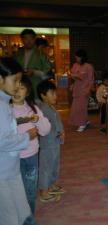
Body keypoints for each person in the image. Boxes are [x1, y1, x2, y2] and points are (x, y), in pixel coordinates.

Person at [0, 57, 37, 225]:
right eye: (15, 80)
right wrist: (27, 136)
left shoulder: (4, 102)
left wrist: (21, 122)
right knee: (10, 216)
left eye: (20, 81)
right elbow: (2, 140)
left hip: (10, 168)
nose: (17, 86)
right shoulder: (1, 105)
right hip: (2, 172)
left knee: (22, 210)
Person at [12, 75, 51, 214]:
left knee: (29, 191)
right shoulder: (5, 109)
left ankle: (29, 218)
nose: (17, 91)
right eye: (15, 87)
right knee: (13, 193)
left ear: (27, 92)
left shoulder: (33, 109)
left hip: (30, 156)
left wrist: (37, 120)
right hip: (11, 158)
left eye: (21, 88)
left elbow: (46, 130)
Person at [37, 80, 65, 202]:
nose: (55, 96)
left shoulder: (50, 107)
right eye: (52, 93)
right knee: (46, 167)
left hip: (55, 143)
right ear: (43, 95)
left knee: (54, 165)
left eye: (55, 93)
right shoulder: (42, 109)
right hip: (47, 144)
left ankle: (51, 185)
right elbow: (44, 128)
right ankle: (43, 191)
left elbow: (57, 122)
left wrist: (62, 131)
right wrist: (58, 133)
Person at [14, 29, 51, 99]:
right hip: (20, 87)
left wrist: (34, 72)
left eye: (31, 38)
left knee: (36, 107)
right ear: (22, 40)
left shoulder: (41, 54)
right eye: (26, 38)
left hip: (36, 87)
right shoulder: (17, 54)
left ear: (34, 39)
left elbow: (48, 73)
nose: (28, 41)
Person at [68, 49, 94, 132]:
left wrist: (88, 89)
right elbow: (72, 76)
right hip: (77, 89)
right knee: (75, 107)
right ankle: (85, 121)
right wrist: (72, 83)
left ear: (82, 57)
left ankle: (82, 123)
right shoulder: (75, 65)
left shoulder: (88, 66)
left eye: (78, 57)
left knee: (81, 108)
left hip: (84, 89)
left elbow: (91, 79)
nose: (76, 59)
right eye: (76, 57)